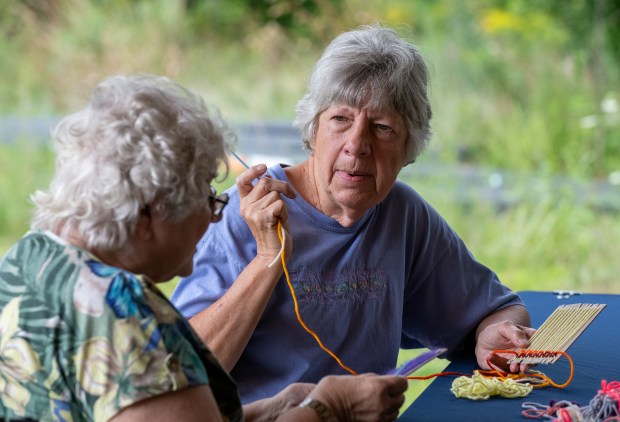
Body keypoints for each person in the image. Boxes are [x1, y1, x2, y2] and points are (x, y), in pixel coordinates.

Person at [0, 74, 409, 422]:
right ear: (150, 214)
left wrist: (273, 408)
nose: (216, 216)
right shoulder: (124, 316)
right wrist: (328, 407)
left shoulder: (28, 259)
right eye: (209, 199)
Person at [171, 24, 536, 404]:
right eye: (340, 120)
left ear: (410, 149)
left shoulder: (402, 215)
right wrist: (266, 260)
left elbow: (498, 308)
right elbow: (183, 373)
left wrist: (494, 333)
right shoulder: (247, 214)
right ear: (313, 129)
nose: (357, 145)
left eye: (382, 127)